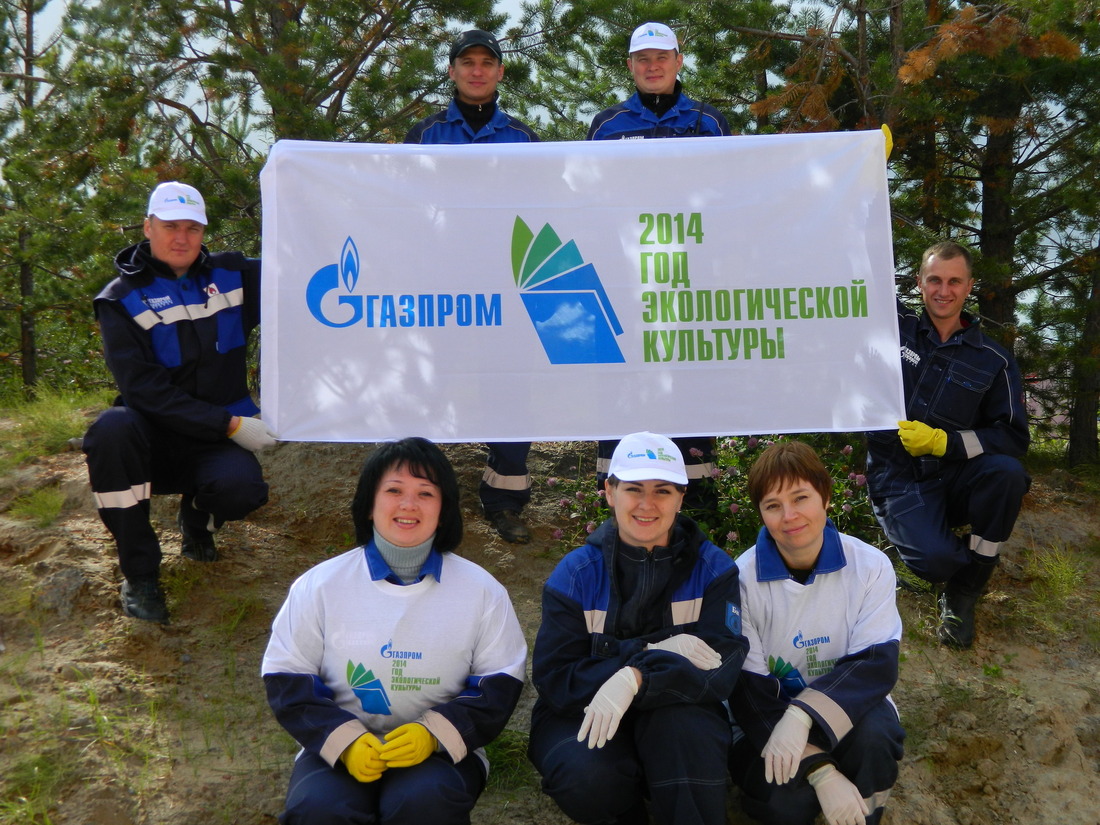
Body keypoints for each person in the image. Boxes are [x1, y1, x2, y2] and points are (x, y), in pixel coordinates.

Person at [262, 437, 527, 825]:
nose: (408, 505)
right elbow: (287, 677)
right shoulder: (319, 586)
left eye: (426, 493)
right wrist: (345, 741)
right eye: (394, 490)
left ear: (444, 508)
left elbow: (500, 683)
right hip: (337, 749)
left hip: (440, 754)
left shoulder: (481, 591)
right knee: (320, 810)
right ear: (370, 504)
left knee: (423, 804)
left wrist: (433, 734)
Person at [528, 431, 747, 825]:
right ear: (610, 492)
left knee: (689, 737)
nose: (647, 504)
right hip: (581, 707)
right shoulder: (575, 575)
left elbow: (720, 671)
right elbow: (556, 679)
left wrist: (637, 680)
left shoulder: (714, 570)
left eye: (662, 490)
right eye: (633, 489)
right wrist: (645, 655)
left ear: (682, 497)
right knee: (585, 776)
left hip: (676, 708)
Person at [83, 181, 274, 624]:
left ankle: (198, 519)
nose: (182, 238)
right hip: (152, 438)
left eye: (193, 227)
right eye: (170, 226)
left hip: (211, 444)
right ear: (148, 227)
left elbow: (303, 278)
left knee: (241, 490)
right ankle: (140, 572)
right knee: (110, 430)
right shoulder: (120, 299)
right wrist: (229, 424)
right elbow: (143, 390)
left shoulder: (234, 275)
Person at [404, 28, 539, 543]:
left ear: (501, 72)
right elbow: (402, 209)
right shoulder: (424, 135)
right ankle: (424, 501)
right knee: (432, 388)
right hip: (442, 287)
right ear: (453, 70)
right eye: (468, 62)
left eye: (488, 62)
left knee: (510, 389)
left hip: (508, 285)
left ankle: (505, 500)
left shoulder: (524, 139)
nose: (478, 70)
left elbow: (543, 209)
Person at [588, 21, 730, 508]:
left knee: (686, 369)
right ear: (630, 66)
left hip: (689, 274)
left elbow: (733, 195)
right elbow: (590, 198)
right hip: (626, 274)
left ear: (678, 61)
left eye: (661, 57)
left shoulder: (710, 122)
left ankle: (696, 486)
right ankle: (618, 483)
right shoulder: (606, 127)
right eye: (643, 59)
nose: (652, 66)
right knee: (624, 369)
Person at [729, 440, 905, 825]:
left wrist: (804, 714)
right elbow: (749, 694)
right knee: (787, 804)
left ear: (825, 497)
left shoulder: (870, 566)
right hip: (768, 721)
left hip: (853, 709)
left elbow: (874, 665)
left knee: (875, 741)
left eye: (800, 498)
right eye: (773, 505)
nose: (789, 515)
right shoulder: (740, 582)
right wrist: (820, 771)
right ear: (760, 513)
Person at [865, 241, 1030, 649]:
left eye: (955, 281)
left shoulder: (994, 360)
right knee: (937, 561)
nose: (944, 290)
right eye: (934, 279)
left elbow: (1011, 437)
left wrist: (947, 443)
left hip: (954, 474)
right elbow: (858, 280)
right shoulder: (892, 326)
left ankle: (967, 588)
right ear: (919, 283)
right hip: (898, 477)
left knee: (1007, 474)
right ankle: (944, 559)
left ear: (969, 286)